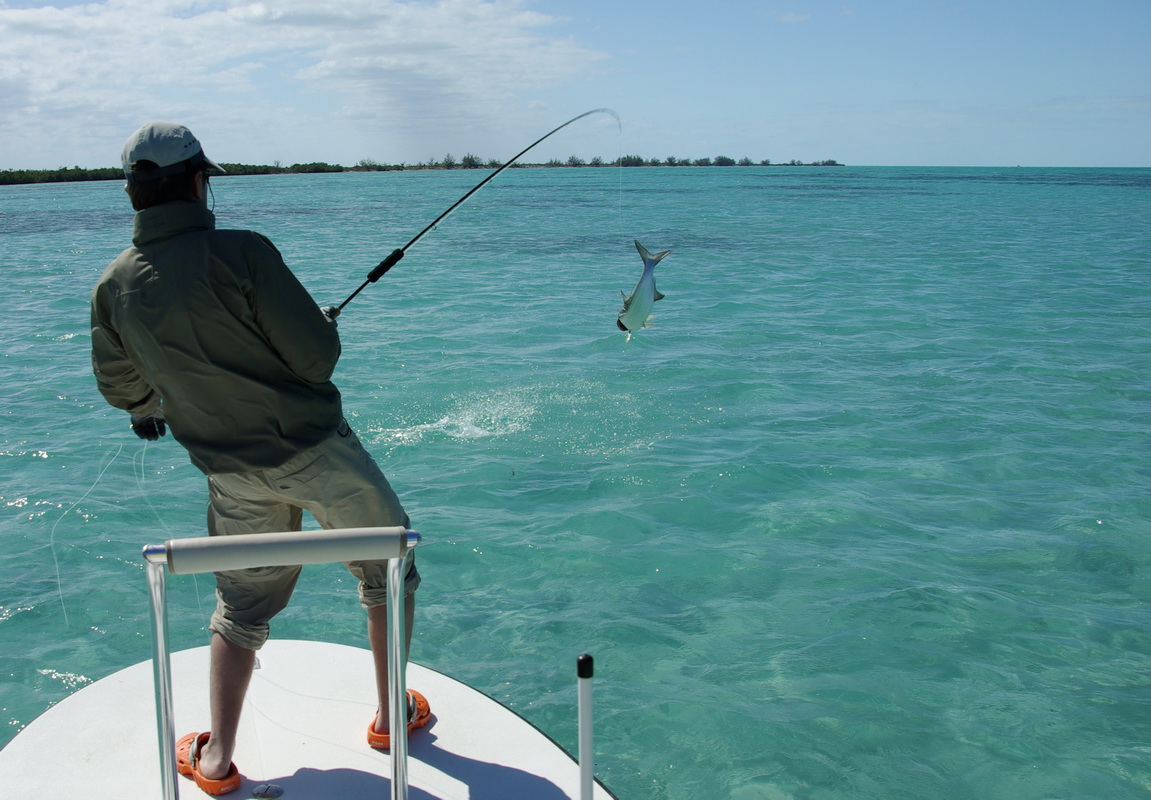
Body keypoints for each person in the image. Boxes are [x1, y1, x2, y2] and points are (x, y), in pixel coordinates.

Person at [90, 121, 429, 795]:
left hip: (231, 474)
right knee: (388, 567)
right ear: (196, 182)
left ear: (135, 194)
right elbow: (315, 358)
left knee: (241, 609)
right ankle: (392, 718)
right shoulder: (244, 253)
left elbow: (121, 386)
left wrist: (149, 410)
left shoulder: (113, 286)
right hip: (317, 450)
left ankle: (214, 761)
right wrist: (318, 326)